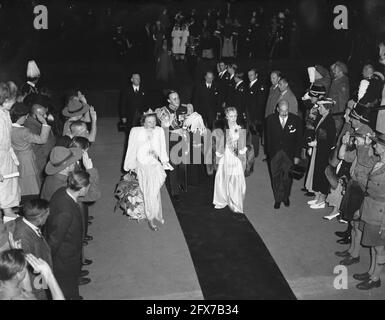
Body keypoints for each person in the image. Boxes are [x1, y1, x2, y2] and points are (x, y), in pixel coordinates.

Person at [45, 170, 90, 300]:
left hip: (69, 253)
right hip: (65, 257)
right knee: (66, 284)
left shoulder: (61, 191)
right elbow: (54, 240)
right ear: (82, 189)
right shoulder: (66, 213)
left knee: (71, 280)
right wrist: (47, 261)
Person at [123, 110, 171, 231]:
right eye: (149, 122)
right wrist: (130, 165)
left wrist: (164, 161)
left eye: (154, 121)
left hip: (155, 164)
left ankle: (154, 213)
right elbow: (131, 148)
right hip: (142, 165)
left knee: (154, 192)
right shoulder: (136, 131)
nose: (152, 124)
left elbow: (162, 147)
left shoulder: (159, 131)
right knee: (148, 192)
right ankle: (150, 218)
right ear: (143, 122)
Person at [353, 132, 385, 290]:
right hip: (370, 207)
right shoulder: (379, 162)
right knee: (373, 244)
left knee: (380, 247)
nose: (374, 145)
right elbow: (364, 163)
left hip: (380, 213)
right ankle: (371, 271)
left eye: (376, 143)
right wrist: (363, 146)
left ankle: (376, 278)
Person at [155, 91, 194, 200]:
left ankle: (183, 183)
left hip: (184, 139)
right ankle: (174, 191)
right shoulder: (163, 111)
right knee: (173, 166)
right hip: (171, 141)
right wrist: (175, 132)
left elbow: (190, 122)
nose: (177, 100)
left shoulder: (185, 108)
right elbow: (163, 129)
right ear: (169, 100)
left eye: (177, 97)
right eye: (174, 99)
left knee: (184, 163)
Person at [12, 199, 52, 299]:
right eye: (47, 213)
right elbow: (27, 269)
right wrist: (41, 288)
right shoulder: (22, 238)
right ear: (39, 219)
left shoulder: (26, 222)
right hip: (37, 281)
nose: (49, 215)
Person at [10, 103, 51, 203]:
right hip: (27, 159)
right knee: (32, 183)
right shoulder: (23, 131)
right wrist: (44, 123)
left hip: (16, 157)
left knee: (22, 182)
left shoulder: (8, 128)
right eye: (25, 116)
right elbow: (42, 140)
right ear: (21, 117)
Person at [266, 100, 303, 209]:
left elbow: (299, 140)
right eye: (282, 111)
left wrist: (297, 155)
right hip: (275, 153)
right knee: (275, 176)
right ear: (277, 109)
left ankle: (285, 196)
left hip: (289, 154)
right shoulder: (270, 119)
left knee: (287, 178)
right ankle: (277, 198)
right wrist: (269, 153)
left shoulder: (296, 120)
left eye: (286, 110)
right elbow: (268, 137)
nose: (284, 113)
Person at [213, 107, 247, 213]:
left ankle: (236, 203)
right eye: (231, 116)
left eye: (235, 115)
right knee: (222, 178)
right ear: (227, 116)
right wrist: (218, 154)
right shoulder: (222, 128)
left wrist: (242, 156)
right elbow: (219, 142)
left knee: (235, 179)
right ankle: (221, 200)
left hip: (235, 158)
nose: (234, 118)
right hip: (225, 156)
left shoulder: (239, 128)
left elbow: (242, 145)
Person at [306, 98, 336, 209]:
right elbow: (318, 133)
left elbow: (328, 139)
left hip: (324, 153)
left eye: (320, 107)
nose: (318, 108)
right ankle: (317, 196)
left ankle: (322, 199)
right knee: (317, 172)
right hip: (318, 150)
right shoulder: (321, 118)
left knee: (322, 175)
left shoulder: (330, 121)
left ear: (326, 108)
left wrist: (316, 143)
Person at [0, 81, 20, 223]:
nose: (14, 102)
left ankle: (9, 215)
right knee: (4, 193)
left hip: (6, 158)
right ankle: (9, 222)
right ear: (5, 99)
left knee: (9, 191)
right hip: (1, 161)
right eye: (12, 99)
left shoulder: (5, 113)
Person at [23, 101, 56, 182]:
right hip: (41, 161)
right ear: (35, 115)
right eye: (42, 114)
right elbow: (42, 144)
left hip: (46, 159)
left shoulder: (38, 123)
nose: (45, 116)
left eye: (45, 113)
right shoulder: (30, 127)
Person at [328, 61, 349, 135]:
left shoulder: (342, 84)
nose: (333, 72)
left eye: (335, 71)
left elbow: (343, 102)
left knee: (334, 134)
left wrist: (339, 117)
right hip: (332, 112)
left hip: (336, 115)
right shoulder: (336, 81)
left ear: (341, 71)